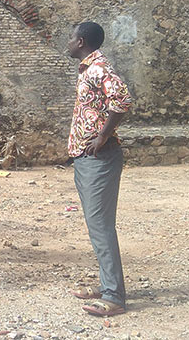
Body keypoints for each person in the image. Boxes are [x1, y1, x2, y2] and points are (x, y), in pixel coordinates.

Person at [65, 22, 132, 317]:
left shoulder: (97, 68)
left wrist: (103, 135)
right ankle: (108, 284)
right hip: (86, 157)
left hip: (99, 158)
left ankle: (114, 296)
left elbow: (123, 99)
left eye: (70, 38)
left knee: (101, 226)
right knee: (97, 226)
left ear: (80, 41)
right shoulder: (87, 68)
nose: (66, 42)